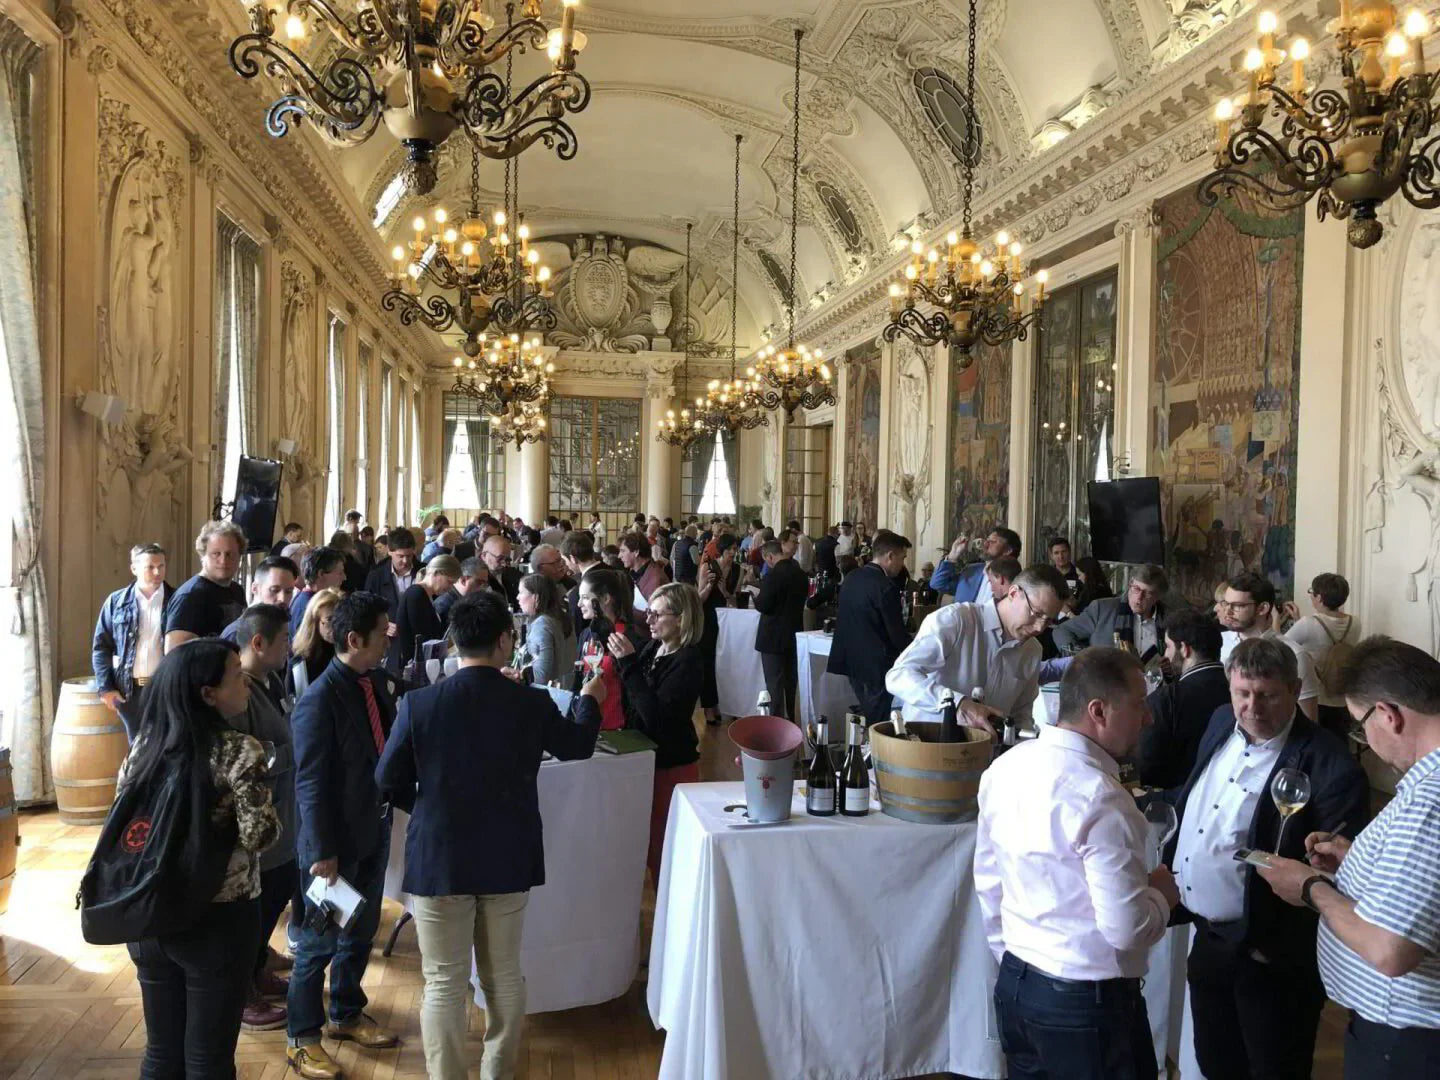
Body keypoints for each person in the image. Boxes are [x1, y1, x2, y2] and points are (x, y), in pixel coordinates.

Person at [374, 591, 603, 1080]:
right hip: (507, 850)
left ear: (454, 642)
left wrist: (430, 806)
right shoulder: (531, 702)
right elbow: (578, 747)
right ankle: (497, 1072)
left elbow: (386, 780)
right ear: (506, 640)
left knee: (442, 982)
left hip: (440, 854)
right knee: (503, 976)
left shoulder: (418, 703)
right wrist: (589, 701)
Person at [1165, 637, 1369, 1080]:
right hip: (1208, 939)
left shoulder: (1331, 765)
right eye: (1243, 693)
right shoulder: (1221, 721)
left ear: (1295, 690)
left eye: (1268, 695)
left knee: (1274, 1069)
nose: (1252, 707)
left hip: (1270, 957)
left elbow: (1340, 875)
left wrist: (1266, 947)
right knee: (1215, 1063)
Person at [976, 647, 1179, 1080]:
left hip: (1017, 983)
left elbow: (988, 884)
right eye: (1140, 704)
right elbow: (1125, 930)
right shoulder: (1101, 797)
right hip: (1086, 1004)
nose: (1149, 718)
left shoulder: (1005, 767)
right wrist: (1162, 896)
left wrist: (1020, 958)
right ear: (1099, 711)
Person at [1254, 637, 1440, 1078]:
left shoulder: (1429, 799)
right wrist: (1359, 863)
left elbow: (1390, 949)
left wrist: (1310, 888)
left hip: (1407, 1041)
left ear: (1389, 715)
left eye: (1360, 725)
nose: (1365, 739)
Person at [122, 639, 280, 1078]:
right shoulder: (238, 749)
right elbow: (259, 835)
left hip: (150, 910)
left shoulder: (145, 745)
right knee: (209, 1059)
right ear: (208, 694)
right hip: (219, 918)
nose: (244, 680)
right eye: (234, 674)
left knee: (161, 1054)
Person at [286, 592, 401, 1078]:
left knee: (360, 931)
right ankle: (302, 1036)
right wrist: (322, 852)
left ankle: (346, 1013)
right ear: (354, 640)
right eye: (381, 635)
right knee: (317, 945)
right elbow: (309, 783)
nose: (388, 642)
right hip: (335, 847)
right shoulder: (318, 701)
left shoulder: (370, 684)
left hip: (372, 830)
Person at [225, 604, 298, 1032]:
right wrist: (296, 753)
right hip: (258, 824)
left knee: (275, 895)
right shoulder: (240, 695)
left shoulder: (268, 682)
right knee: (257, 908)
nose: (290, 647)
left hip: (281, 817)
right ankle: (241, 994)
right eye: (284, 640)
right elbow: (244, 759)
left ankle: (255, 972)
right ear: (258, 643)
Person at [887, 565, 1067, 735]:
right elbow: (898, 676)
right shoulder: (957, 620)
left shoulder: (1032, 650)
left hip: (984, 759)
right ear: (1013, 593)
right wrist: (956, 704)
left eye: (1049, 620)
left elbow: (1021, 715)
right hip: (925, 746)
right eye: (1036, 613)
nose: (1040, 627)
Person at [606, 582, 704, 882]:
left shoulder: (687, 661)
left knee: (666, 851)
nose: (648, 620)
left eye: (657, 615)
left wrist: (629, 665)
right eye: (648, 612)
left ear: (682, 618)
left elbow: (657, 717)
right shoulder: (655, 647)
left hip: (672, 764)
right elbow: (634, 700)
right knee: (647, 844)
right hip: (647, 758)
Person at [827, 529, 913, 727]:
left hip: (851, 661)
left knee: (869, 713)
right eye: (902, 558)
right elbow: (897, 635)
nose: (902, 564)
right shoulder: (885, 586)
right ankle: (872, 755)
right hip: (876, 665)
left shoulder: (851, 577)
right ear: (890, 556)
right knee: (879, 721)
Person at [1137, 609, 1230, 788]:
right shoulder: (1241, 693)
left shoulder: (1166, 700)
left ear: (1185, 649)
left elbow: (1146, 767)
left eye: (1169, 646)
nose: (1166, 655)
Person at [93, 542, 173, 742]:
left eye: (161, 566)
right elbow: (101, 647)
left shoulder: (176, 599)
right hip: (130, 691)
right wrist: (106, 688)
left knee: (168, 747)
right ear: (134, 568)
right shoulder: (116, 602)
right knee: (137, 749)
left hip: (165, 688)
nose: (157, 572)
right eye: (150, 567)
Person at [1218, 571, 1322, 721]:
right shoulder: (1219, 642)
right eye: (1225, 604)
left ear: (1262, 608)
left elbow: (1309, 719)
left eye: (1237, 606)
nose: (1227, 611)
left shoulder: (1295, 654)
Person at [1284, 572, 1361, 738]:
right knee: (1338, 744)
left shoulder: (1308, 623)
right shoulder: (1355, 623)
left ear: (1319, 597)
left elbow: (1280, 645)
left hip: (1316, 698)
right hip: (1342, 697)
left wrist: (1277, 619)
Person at [1051, 563, 1171, 661]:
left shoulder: (1169, 619)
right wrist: (1082, 659)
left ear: (1157, 597)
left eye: (1147, 593)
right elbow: (1062, 631)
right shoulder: (1103, 609)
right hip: (1104, 684)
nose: (1139, 597)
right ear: (1130, 585)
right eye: (1136, 589)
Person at [572, 571, 643, 732]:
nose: (578, 604)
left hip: (618, 729)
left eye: (585, 597)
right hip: (588, 725)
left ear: (605, 598)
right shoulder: (586, 635)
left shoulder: (627, 637)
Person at [165, 520, 248, 649]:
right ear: (202, 556)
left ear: (239, 557)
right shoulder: (189, 596)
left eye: (229, 554)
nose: (223, 560)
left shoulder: (237, 590)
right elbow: (175, 655)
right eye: (216, 554)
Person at [753, 538, 809, 719]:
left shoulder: (773, 576)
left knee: (775, 683)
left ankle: (777, 723)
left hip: (772, 636)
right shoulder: (800, 573)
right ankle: (792, 718)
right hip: (794, 633)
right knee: (791, 683)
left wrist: (755, 595)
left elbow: (764, 605)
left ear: (769, 557)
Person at [696, 535, 741, 725]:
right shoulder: (708, 566)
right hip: (708, 618)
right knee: (708, 662)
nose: (733, 552)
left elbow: (735, 600)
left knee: (724, 662)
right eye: (730, 549)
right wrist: (709, 586)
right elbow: (699, 599)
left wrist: (724, 591)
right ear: (722, 549)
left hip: (727, 621)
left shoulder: (738, 570)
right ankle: (708, 707)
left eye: (735, 549)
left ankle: (724, 703)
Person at [397, 555, 461, 671]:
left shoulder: (426, 595)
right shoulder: (416, 595)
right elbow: (422, 638)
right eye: (449, 582)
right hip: (415, 669)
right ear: (436, 573)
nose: (450, 588)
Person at [516, 572, 576, 687]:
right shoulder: (560, 618)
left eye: (521, 592)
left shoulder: (541, 625)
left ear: (536, 597)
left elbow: (541, 675)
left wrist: (520, 675)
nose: (517, 597)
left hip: (546, 696)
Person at [929, 527, 1022, 600]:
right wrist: (953, 555)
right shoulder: (971, 571)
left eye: (992, 541)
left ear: (1008, 550)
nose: (985, 544)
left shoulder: (1018, 580)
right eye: (987, 540)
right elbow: (937, 583)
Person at [289, 587, 342, 700]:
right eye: (329, 620)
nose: (336, 626)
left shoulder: (344, 653)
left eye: (339, 619)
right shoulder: (300, 661)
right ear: (314, 621)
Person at [363, 526, 418, 625]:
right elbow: (367, 609)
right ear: (389, 551)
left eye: (409, 556)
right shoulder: (376, 577)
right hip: (388, 636)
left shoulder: (423, 572)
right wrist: (383, 624)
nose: (405, 561)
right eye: (400, 556)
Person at [292, 546, 347, 638]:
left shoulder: (305, 598)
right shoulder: (310, 608)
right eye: (340, 573)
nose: (344, 578)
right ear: (321, 574)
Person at [620, 531, 669, 616]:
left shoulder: (656, 579)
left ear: (636, 552)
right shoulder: (634, 573)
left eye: (623, 551)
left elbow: (655, 615)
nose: (619, 555)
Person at [434, 557, 485, 625]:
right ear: (463, 580)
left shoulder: (469, 601)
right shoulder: (443, 606)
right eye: (479, 583)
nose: (483, 588)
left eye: (485, 584)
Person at [481, 533, 521, 608]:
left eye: (507, 560)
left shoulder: (514, 576)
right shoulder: (477, 582)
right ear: (484, 556)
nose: (504, 564)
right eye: (499, 559)